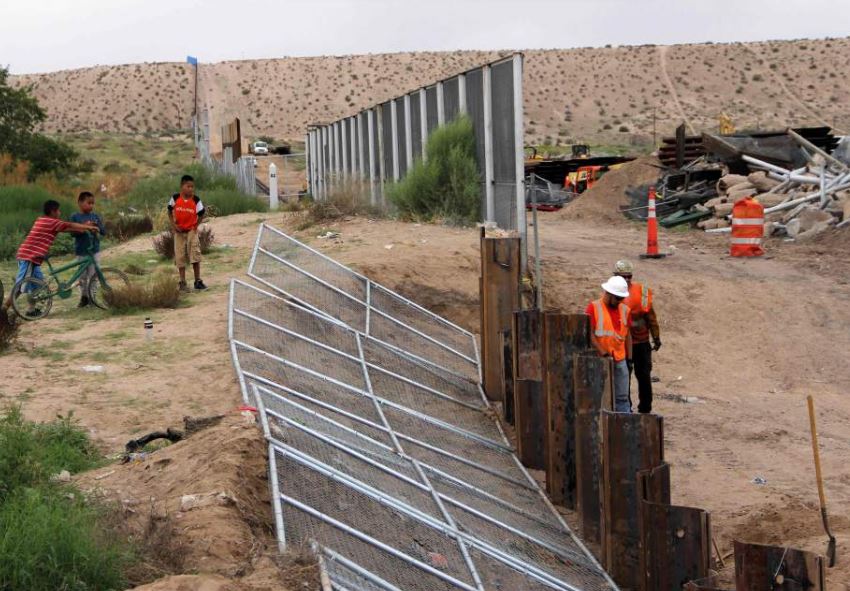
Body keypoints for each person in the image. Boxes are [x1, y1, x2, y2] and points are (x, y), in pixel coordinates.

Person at [2, 200, 97, 314]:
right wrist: (87, 227)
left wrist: (84, 227)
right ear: (53, 211)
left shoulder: (42, 220)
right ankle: (3, 309)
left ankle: (31, 311)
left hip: (32, 256)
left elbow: (67, 228)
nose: (60, 212)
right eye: (58, 210)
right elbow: (68, 225)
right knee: (21, 284)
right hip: (29, 257)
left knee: (38, 286)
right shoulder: (52, 222)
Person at [614, 260, 661, 413]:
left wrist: (656, 336)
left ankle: (644, 408)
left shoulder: (641, 292)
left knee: (643, 377)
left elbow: (651, 316)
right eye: (624, 277)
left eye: (629, 276)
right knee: (624, 378)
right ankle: (627, 408)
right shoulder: (613, 294)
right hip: (623, 344)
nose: (627, 280)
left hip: (640, 342)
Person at [585, 275, 632, 413]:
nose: (620, 301)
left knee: (622, 398)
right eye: (618, 298)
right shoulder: (594, 307)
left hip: (620, 359)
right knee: (601, 396)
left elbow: (628, 335)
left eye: (622, 298)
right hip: (601, 360)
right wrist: (602, 352)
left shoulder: (625, 310)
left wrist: (629, 359)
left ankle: (624, 424)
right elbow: (590, 334)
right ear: (609, 293)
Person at [167, 174, 207, 292]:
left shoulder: (196, 200)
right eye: (188, 186)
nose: (191, 189)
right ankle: (182, 282)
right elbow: (169, 212)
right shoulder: (175, 198)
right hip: (179, 232)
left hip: (191, 232)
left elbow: (201, 214)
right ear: (182, 186)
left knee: (195, 255)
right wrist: (174, 226)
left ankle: (197, 281)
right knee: (179, 257)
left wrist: (195, 226)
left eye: (192, 187)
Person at [70, 191, 106, 307]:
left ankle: (93, 299)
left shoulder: (95, 216)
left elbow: (103, 231)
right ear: (80, 203)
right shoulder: (75, 216)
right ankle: (84, 297)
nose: (91, 205)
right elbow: (72, 233)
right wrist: (85, 226)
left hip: (94, 250)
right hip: (81, 251)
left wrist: (97, 229)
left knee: (94, 275)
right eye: (88, 203)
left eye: (92, 203)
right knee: (82, 277)